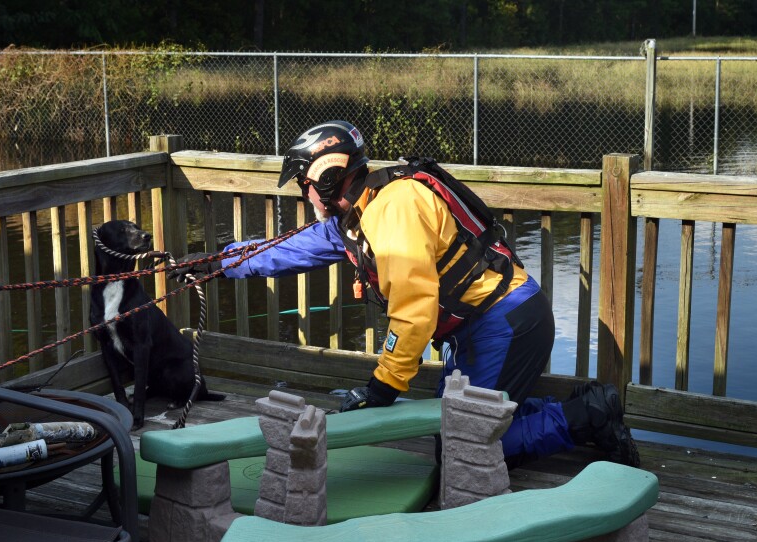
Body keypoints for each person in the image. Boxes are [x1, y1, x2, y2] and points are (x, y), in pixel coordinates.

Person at [172, 120, 639, 467]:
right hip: (479, 327)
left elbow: (413, 313)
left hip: (507, 321)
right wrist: (215, 263)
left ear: (329, 180)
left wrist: (382, 387)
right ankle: (586, 409)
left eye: (305, 184)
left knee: (461, 448)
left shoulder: (393, 212)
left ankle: (587, 415)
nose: (304, 194)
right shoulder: (358, 214)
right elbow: (290, 250)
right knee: (455, 421)